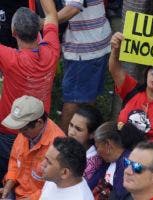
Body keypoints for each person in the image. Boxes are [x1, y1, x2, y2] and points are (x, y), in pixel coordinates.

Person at [0, 0, 60, 185]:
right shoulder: (52, 49)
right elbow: (51, 15)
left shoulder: (11, 59)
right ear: (38, 29)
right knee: (33, 177)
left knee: (8, 174)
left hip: (11, 129)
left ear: (13, 33)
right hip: (40, 127)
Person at [59, 0, 112, 134]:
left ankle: (62, 146)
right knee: (87, 99)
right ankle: (83, 142)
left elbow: (74, 7)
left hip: (84, 49)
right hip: (96, 41)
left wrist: (45, 22)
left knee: (73, 101)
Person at [0, 95, 65, 199]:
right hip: (16, 192)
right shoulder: (24, 132)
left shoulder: (58, 146)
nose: (19, 133)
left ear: (39, 122)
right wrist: (9, 184)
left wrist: (32, 198)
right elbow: (14, 160)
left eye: (23, 129)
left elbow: (56, 185)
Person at [92, 121, 146, 199]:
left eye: (97, 147)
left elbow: (120, 195)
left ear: (108, 144)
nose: (97, 152)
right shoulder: (110, 161)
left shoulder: (128, 163)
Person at [68, 105, 103, 186]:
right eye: (71, 125)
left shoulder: (91, 164)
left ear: (92, 134)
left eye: (78, 129)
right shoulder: (73, 147)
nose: (71, 132)